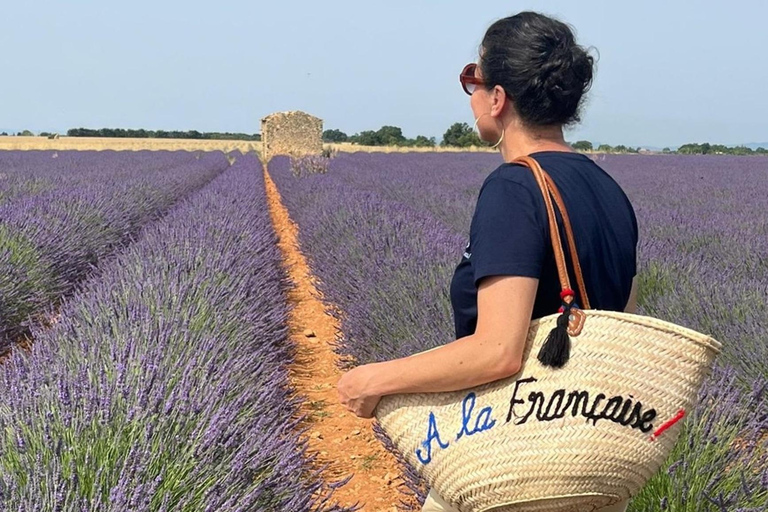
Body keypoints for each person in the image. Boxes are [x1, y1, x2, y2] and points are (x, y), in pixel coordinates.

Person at [337, 10, 638, 512]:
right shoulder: (608, 189)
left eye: (471, 80)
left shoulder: (514, 188)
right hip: (593, 469)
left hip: (515, 465)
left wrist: (374, 379)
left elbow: (497, 350)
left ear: (498, 98)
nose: (471, 95)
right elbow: (615, 324)